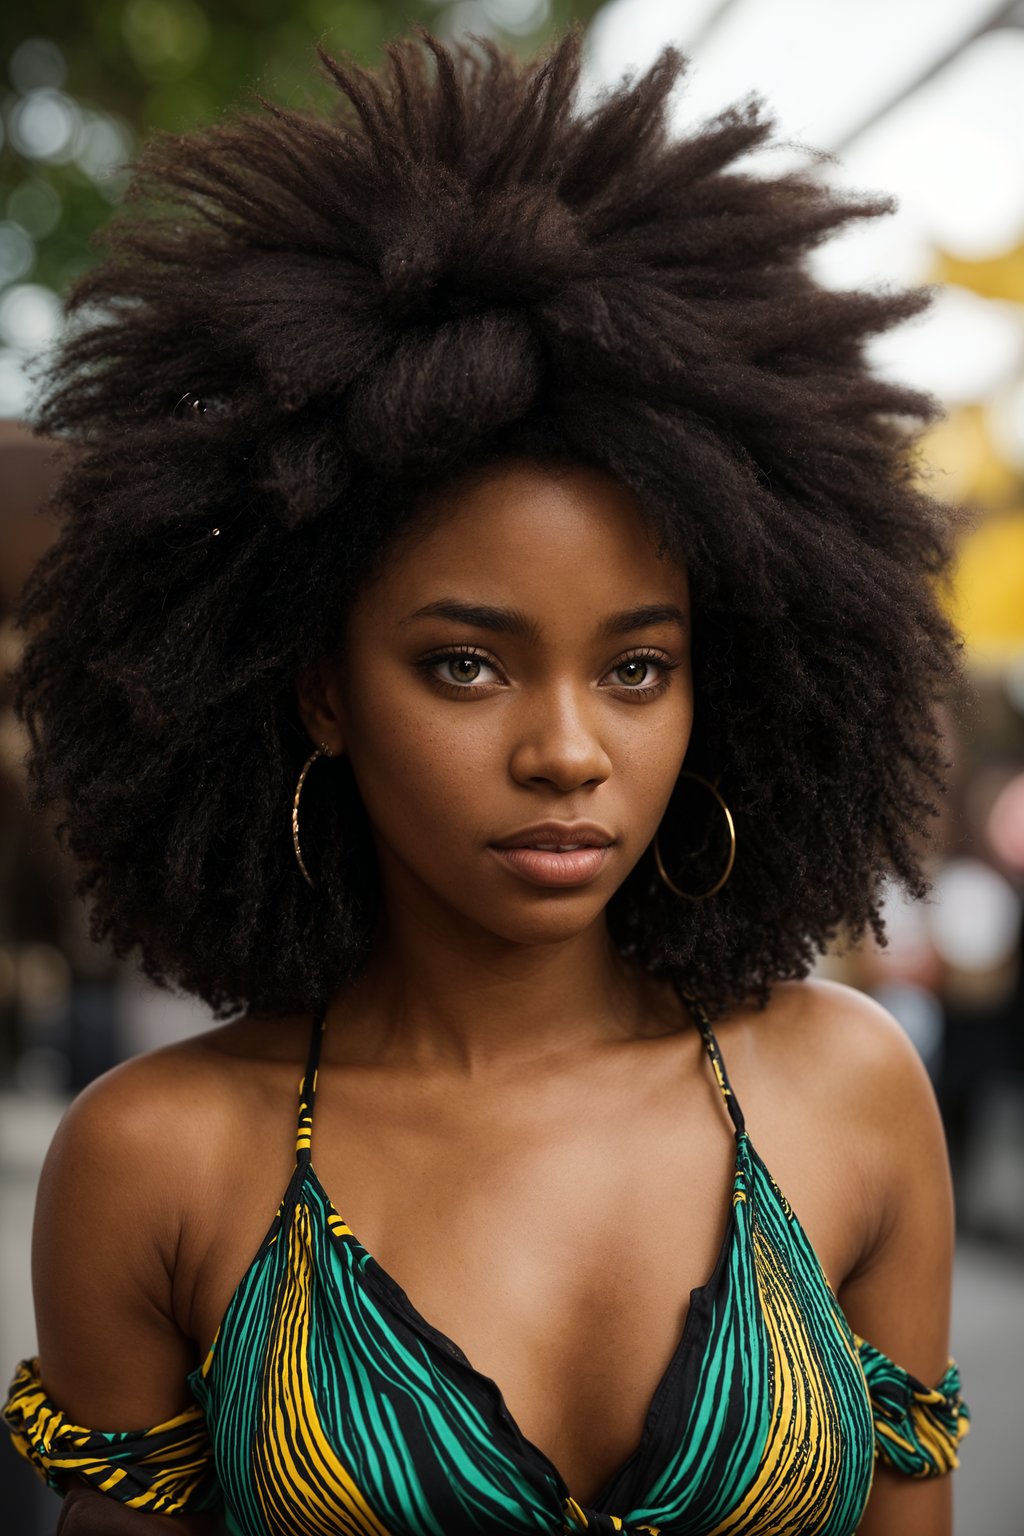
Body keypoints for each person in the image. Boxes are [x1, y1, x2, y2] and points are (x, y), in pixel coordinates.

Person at [2, 21, 970, 1536]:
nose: (569, 749)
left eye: (637, 668)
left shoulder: (850, 1096)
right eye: (466, 662)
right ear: (317, 687)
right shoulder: (159, 1161)